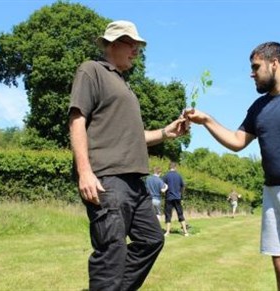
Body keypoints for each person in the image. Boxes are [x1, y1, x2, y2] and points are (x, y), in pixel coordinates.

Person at [185, 42, 280, 291]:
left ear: (274, 63)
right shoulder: (259, 107)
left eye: (256, 67)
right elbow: (237, 142)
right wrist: (206, 120)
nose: (252, 73)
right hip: (272, 194)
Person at [68, 20, 188, 291]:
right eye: (130, 43)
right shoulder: (92, 71)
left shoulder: (125, 86)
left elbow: (137, 137)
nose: (136, 50)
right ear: (111, 44)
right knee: (111, 252)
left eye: (138, 46)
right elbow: (77, 119)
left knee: (151, 240)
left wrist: (167, 133)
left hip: (136, 183)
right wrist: (85, 171)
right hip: (107, 179)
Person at [162, 161, 189, 237]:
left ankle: (167, 232)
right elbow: (183, 186)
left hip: (169, 198)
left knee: (168, 214)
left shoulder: (165, 176)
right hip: (177, 197)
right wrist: (181, 194)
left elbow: (162, 186)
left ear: (169, 167)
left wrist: (164, 192)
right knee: (180, 214)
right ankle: (185, 232)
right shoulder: (179, 176)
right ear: (175, 167)